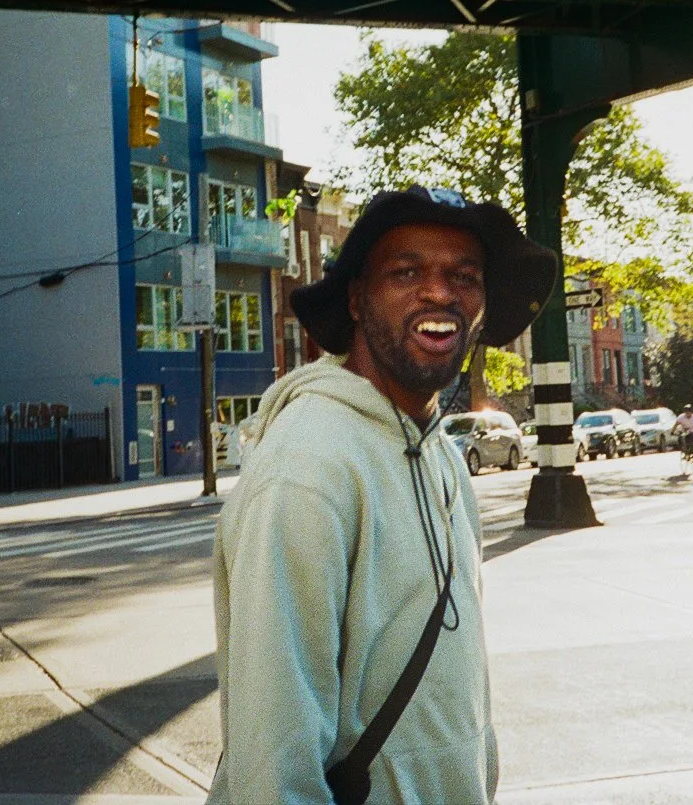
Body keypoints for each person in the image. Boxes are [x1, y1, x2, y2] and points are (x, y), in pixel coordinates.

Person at [209, 186, 557, 804]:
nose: (440, 293)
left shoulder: (443, 455)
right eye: (406, 271)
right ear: (356, 298)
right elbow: (272, 753)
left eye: (464, 275)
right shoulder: (307, 467)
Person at [673, 405, 693, 478]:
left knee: (692, 442)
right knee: (680, 439)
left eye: (689, 412)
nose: (687, 413)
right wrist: (672, 431)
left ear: (691, 412)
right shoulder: (681, 417)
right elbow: (676, 424)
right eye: (686, 412)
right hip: (685, 431)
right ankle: (684, 450)